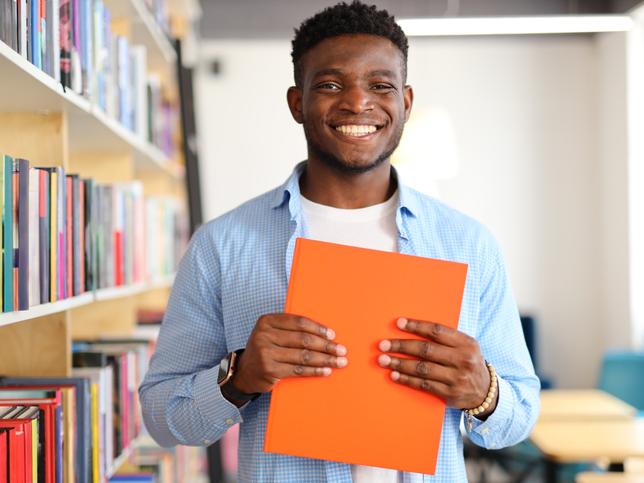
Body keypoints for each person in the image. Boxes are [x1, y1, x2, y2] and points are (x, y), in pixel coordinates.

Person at [139, 2, 540, 481]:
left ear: (405, 103)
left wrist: (483, 392)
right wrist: (239, 377)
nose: (357, 102)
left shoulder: (468, 244)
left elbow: (519, 415)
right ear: (297, 102)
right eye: (330, 85)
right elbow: (163, 417)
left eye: (380, 86)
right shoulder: (222, 245)